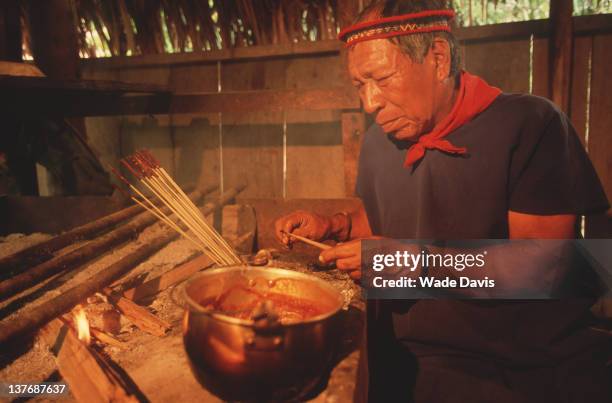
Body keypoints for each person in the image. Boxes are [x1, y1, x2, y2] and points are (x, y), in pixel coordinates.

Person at [274, 1, 611, 402]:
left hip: (510, 369)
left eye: (381, 78)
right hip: (401, 358)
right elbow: (387, 215)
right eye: (359, 86)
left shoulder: (530, 125)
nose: (370, 102)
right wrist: (335, 226)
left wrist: (420, 265)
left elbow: (546, 267)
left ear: (437, 57)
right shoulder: (379, 142)